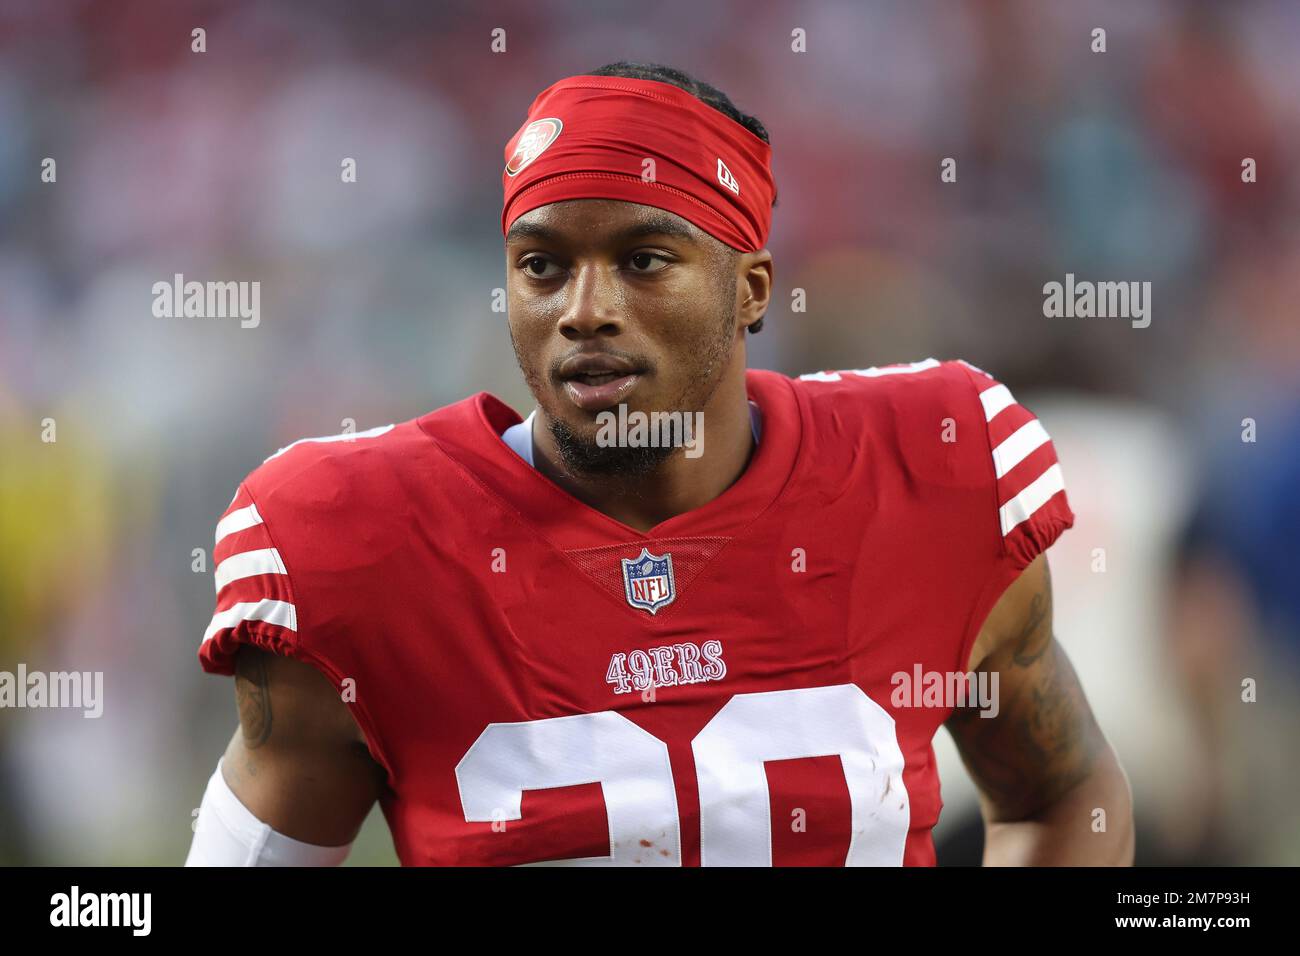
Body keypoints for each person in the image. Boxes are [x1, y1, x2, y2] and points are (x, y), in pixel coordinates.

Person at [186, 61, 1132, 866]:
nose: (584, 309)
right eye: (542, 265)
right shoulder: (364, 547)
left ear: (750, 289)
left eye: (643, 259)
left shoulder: (930, 476)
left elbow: (1062, 793)